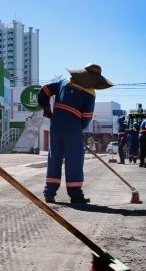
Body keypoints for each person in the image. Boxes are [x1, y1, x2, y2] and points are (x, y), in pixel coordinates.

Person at [38, 64, 113, 205]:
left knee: (54, 158)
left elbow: (45, 90)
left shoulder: (63, 82)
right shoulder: (89, 94)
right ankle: (76, 195)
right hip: (73, 129)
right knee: (74, 161)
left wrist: (46, 107)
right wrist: (77, 131)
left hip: (55, 127)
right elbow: (86, 118)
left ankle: (49, 193)